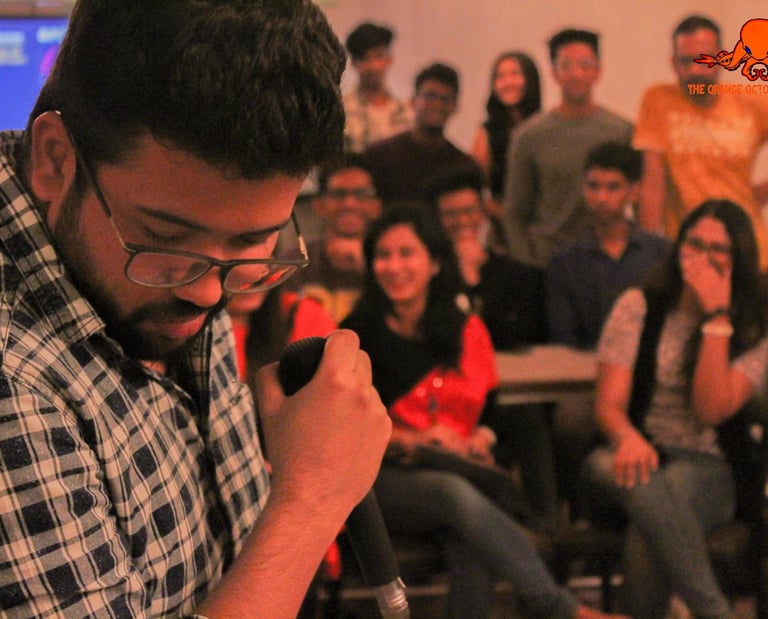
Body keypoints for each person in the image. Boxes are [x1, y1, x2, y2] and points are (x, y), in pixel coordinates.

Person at [0, 2, 391, 617]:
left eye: (250, 241)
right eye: (165, 238)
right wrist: (311, 499)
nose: (210, 294)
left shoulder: (161, 273)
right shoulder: (13, 377)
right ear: (55, 160)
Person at [341, 205, 629, 619]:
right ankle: (562, 609)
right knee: (452, 493)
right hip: (376, 481)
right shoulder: (354, 334)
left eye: (407, 253)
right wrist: (415, 439)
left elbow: (492, 413)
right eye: (383, 255)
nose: (394, 266)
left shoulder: (463, 328)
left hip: (455, 473)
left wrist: (480, 438)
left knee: (469, 540)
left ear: (435, 263)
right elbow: (343, 429)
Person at [583, 199, 768, 618]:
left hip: (709, 466)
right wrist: (629, 438)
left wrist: (717, 317)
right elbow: (608, 405)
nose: (702, 258)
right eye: (693, 244)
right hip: (631, 450)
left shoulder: (756, 324)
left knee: (648, 527)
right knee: (618, 470)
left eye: (718, 250)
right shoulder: (639, 306)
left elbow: (710, 409)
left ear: (739, 259)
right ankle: (714, 611)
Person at [424, 165, 558, 531]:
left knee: (531, 419)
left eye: (468, 211)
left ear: (483, 212)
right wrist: (461, 283)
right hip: (444, 405)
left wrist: (474, 283)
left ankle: (548, 530)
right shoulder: (424, 280)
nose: (461, 221)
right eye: (450, 214)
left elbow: (521, 341)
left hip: (501, 397)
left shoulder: (518, 276)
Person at [633, 14, 768, 270]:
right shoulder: (659, 101)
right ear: (673, 64)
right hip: (688, 254)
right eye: (686, 61)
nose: (696, 70)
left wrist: (755, 197)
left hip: (750, 253)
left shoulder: (750, 103)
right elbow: (653, 182)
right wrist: (646, 255)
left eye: (705, 60)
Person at [502, 29, 633, 270]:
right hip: (546, 263)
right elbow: (515, 211)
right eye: (567, 65)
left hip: (607, 262)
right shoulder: (528, 136)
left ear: (598, 71)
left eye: (585, 64)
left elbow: (636, 197)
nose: (576, 73)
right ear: (554, 72)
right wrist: (526, 262)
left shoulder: (622, 132)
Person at [547, 141, 672, 350]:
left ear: (634, 191)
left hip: (648, 371)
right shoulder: (565, 263)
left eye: (613, 187)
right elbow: (563, 339)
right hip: (582, 373)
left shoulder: (661, 254)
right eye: (593, 186)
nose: (601, 197)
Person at [362, 62, 481, 205]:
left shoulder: (464, 167)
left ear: (455, 107)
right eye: (430, 96)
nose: (437, 105)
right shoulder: (379, 156)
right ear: (413, 101)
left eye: (445, 99)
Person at [283, 154, 381, 323]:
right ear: (319, 205)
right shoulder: (294, 261)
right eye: (338, 194)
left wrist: (368, 268)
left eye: (361, 194)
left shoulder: (393, 261)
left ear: (377, 205)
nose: (350, 204)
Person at [471, 50, 542, 201]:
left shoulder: (544, 127)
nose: (508, 83)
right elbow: (475, 185)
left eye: (515, 74)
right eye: (500, 77)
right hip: (501, 215)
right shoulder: (487, 132)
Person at [342, 21, 413, 154]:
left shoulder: (406, 112)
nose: (373, 66)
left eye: (378, 56)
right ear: (353, 62)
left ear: (389, 59)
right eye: (365, 58)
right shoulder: (342, 111)